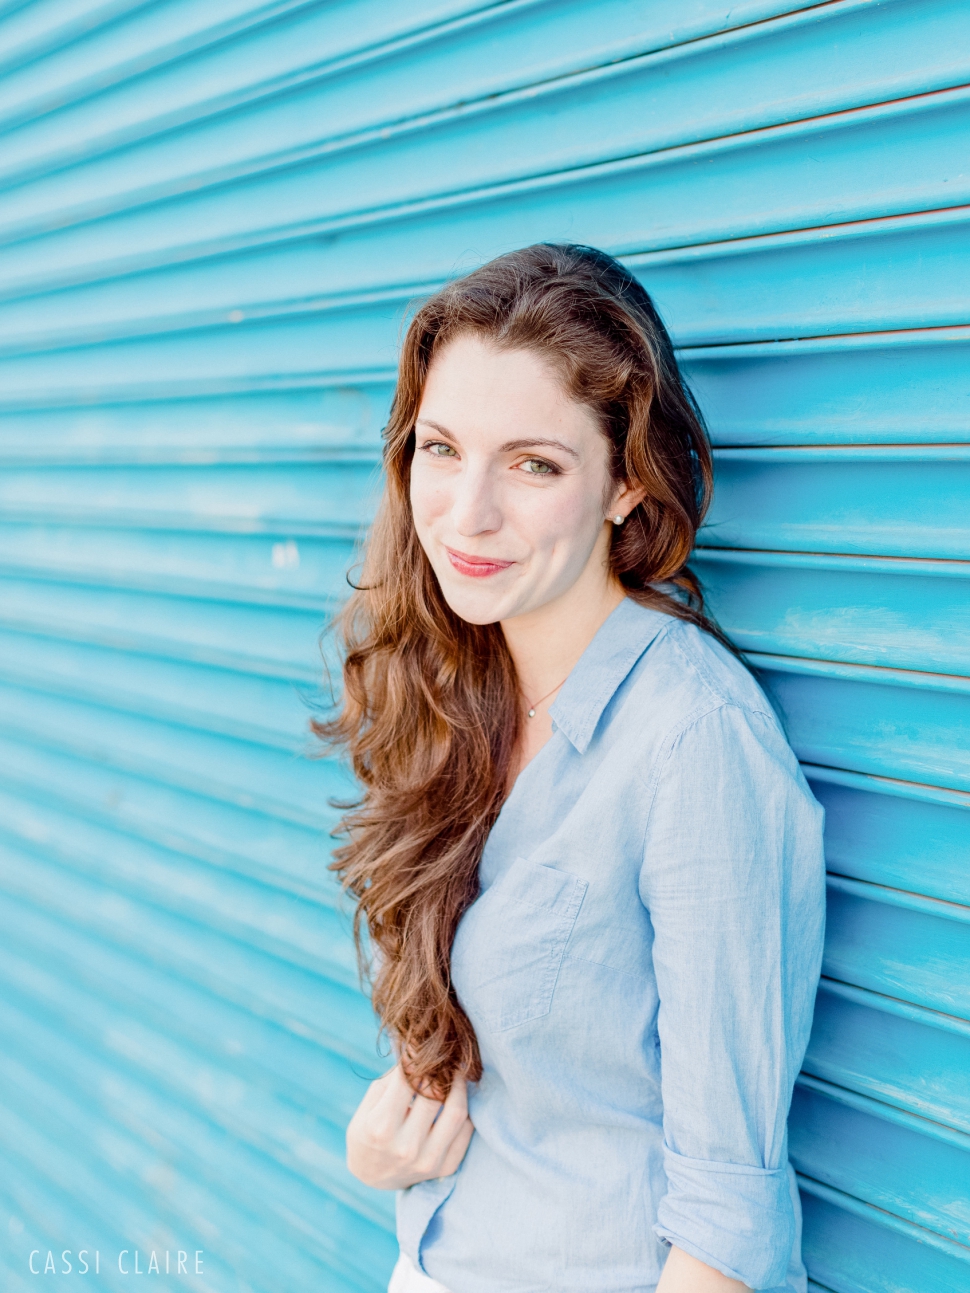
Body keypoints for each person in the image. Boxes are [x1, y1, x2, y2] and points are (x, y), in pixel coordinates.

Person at [317, 244, 826, 1293]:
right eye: (442, 449)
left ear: (624, 484)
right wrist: (379, 1152)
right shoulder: (463, 688)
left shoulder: (691, 744)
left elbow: (726, 1227)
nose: (466, 514)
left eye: (533, 464)